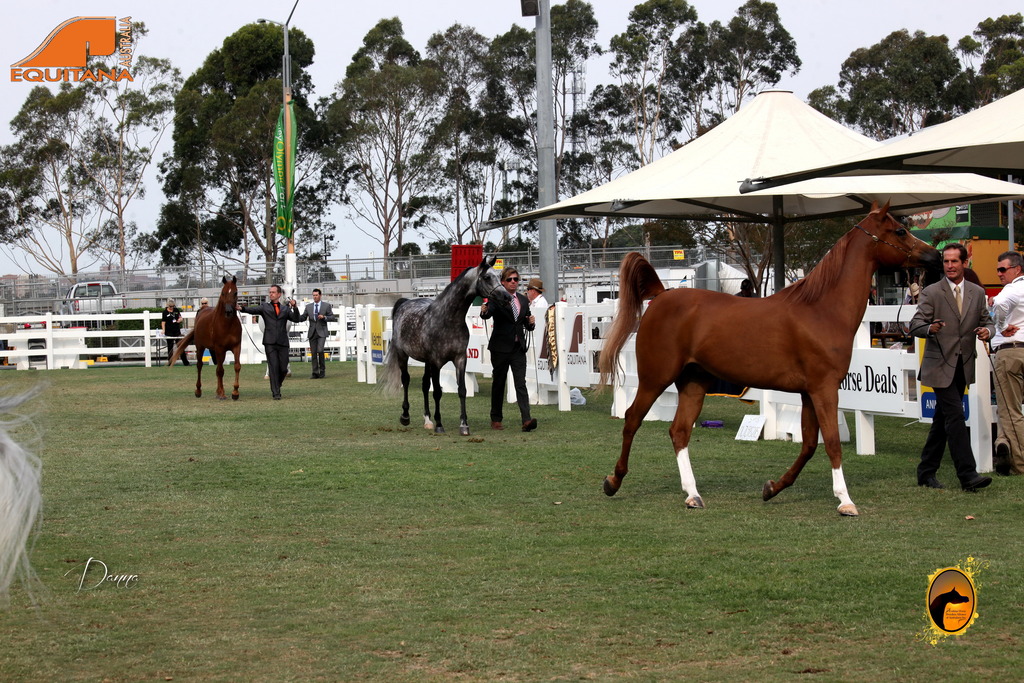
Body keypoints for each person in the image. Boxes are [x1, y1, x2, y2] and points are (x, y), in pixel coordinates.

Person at [910, 243, 994, 492]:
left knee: (942, 420)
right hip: (939, 366)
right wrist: (929, 328)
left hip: (963, 365)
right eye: (946, 262)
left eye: (954, 261)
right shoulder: (932, 292)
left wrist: (986, 331)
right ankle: (968, 475)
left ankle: (926, 472)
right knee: (956, 415)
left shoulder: (977, 293)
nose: (949, 266)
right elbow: (915, 324)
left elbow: (987, 321)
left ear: (964, 263)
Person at [480, 267, 537, 432]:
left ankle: (526, 420)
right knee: (499, 383)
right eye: (510, 279)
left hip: (518, 348)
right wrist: (483, 311)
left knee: (521, 383)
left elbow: (526, 324)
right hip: (500, 348)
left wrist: (531, 323)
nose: (514, 282)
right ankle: (496, 418)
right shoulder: (496, 298)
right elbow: (487, 313)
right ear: (503, 282)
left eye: (516, 279)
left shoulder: (524, 300)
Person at [990, 251, 1024, 476]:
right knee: (1011, 408)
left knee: (1010, 410)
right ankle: (1002, 441)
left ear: (1017, 269)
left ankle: (1020, 465)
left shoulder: (1012, 289)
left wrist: (1000, 325)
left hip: (1010, 352)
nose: (1000, 274)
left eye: (1003, 269)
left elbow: (1001, 304)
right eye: (998, 270)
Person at [238, 284, 300, 400]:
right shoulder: (264, 307)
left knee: (283, 369)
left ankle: (277, 384)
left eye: (273, 292)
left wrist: (295, 307)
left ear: (279, 294)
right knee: (273, 367)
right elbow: (253, 310)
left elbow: (296, 319)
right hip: (270, 342)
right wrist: (242, 308)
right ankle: (276, 392)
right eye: (270, 292)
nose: (270, 294)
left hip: (283, 342)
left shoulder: (286, 309)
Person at [299, 288, 335, 379]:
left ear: (320, 295)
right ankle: (315, 372)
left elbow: (332, 317)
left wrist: (324, 317)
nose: (315, 297)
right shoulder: (309, 307)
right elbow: (303, 317)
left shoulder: (326, 306)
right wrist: (294, 315)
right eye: (313, 295)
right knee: (313, 353)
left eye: (316, 295)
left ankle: (322, 370)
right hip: (312, 332)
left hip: (322, 332)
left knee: (320, 350)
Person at [161, 298, 190, 366]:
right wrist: (163, 330)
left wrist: (180, 320)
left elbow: (180, 317)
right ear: (167, 306)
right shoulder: (165, 312)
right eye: (170, 306)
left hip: (177, 331)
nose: (171, 308)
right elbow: (163, 322)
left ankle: (185, 362)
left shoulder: (176, 310)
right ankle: (170, 363)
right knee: (170, 348)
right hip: (169, 332)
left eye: (172, 306)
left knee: (180, 346)